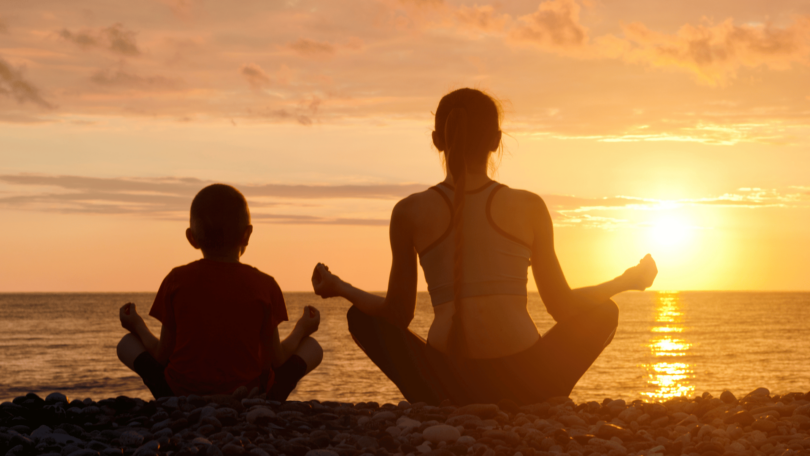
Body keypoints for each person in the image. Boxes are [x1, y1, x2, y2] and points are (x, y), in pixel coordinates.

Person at [311, 88, 658, 406]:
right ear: (495, 141)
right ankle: (541, 401)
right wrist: (626, 281)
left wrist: (342, 287)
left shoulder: (409, 211)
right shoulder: (529, 206)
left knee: (361, 318)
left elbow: (397, 315)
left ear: (437, 140)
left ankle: (436, 404)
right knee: (604, 312)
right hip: (526, 383)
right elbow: (564, 307)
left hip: (441, 385)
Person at [117, 183, 323, 400]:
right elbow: (278, 359)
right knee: (313, 347)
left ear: (191, 238)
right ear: (247, 234)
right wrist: (302, 329)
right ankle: (272, 399)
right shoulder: (265, 285)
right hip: (248, 394)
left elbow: (161, 355)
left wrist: (137, 325)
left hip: (181, 394)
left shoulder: (176, 280)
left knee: (126, 344)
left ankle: (166, 398)